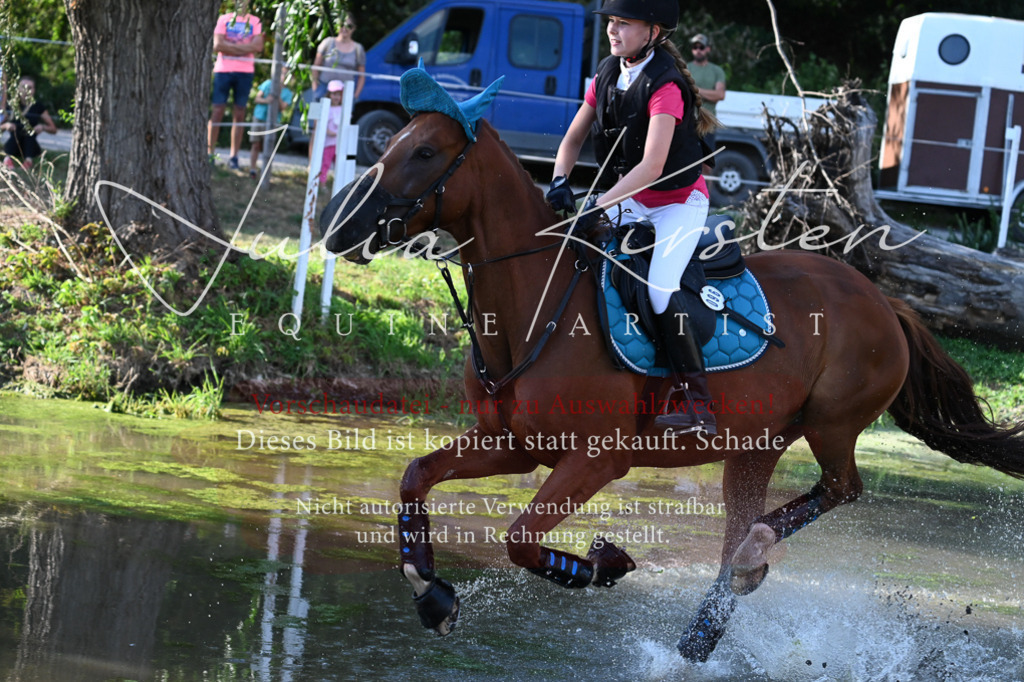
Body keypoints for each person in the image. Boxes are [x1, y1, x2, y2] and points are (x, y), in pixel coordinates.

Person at [547, 0, 719, 434]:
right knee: (575, 256)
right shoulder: (607, 72)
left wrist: (599, 205)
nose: (613, 30)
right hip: (631, 198)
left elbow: (653, 167)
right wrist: (559, 180)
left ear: (653, 32)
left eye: (624, 23)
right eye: (611, 22)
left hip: (677, 203)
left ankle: (698, 404)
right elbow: (572, 139)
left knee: (659, 288)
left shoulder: (666, 85)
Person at [208, 2, 264, 170]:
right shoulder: (223, 19)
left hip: (245, 72)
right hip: (223, 70)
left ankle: (234, 157)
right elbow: (217, 45)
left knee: (239, 114)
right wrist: (245, 48)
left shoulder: (255, 21)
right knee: (217, 111)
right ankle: (210, 153)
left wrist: (230, 47)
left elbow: (258, 46)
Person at [1, 76, 57, 170]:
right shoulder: (11, 106)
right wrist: (6, 125)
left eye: (29, 88)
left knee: (29, 132)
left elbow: (53, 129)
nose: (26, 91)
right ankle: (7, 159)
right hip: (13, 145)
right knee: (16, 132)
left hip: (30, 147)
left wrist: (42, 127)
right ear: (18, 88)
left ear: (34, 90)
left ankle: (28, 161)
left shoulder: (38, 107)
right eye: (23, 87)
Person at [249, 66, 294, 178]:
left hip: (273, 121)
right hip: (259, 117)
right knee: (255, 144)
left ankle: (265, 172)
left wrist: (277, 95)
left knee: (268, 146)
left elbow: (283, 107)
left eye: (287, 75)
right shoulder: (268, 83)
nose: (283, 77)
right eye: (282, 73)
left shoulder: (288, 93)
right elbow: (257, 99)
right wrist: (266, 100)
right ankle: (252, 169)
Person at [312, 15, 366, 101]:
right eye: (342, 25)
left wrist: (355, 95)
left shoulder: (358, 49)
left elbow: (362, 76)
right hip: (324, 88)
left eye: (349, 26)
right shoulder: (327, 42)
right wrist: (315, 88)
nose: (345, 28)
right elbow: (316, 67)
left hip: (345, 92)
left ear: (354, 28)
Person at [688, 32, 726, 155]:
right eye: (695, 47)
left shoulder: (716, 70)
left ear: (708, 49)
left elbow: (720, 95)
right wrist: (708, 94)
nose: (698, 50)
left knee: (706, 161)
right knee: (687, 159)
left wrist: (696, 90)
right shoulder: (686, 68)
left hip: (708, 123)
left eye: (701, 47)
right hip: (688, 122)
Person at [316, 80, 345, 186]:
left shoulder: (343, 109)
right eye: (334, 94)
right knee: (326, 164)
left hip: (340, 143)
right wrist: (329, 132)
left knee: (340, 165)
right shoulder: (327, 109)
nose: (336, 97)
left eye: (338, 94)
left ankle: (339, 184)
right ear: (329, 94)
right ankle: (322, 183)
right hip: (328, 143)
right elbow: (322, 125)